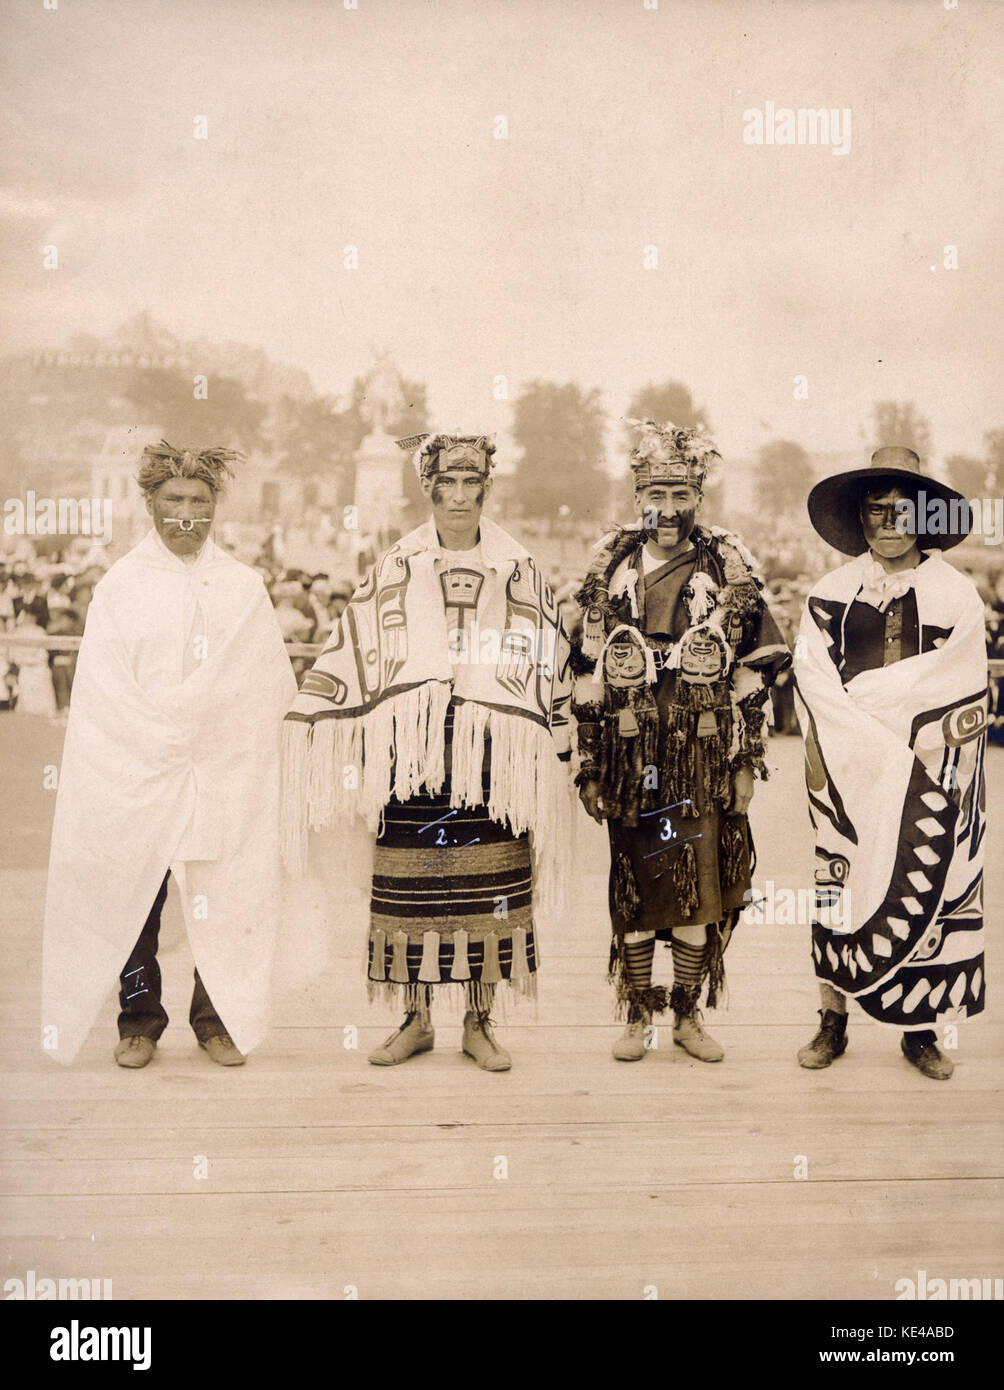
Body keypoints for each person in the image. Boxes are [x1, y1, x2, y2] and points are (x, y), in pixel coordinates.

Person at [282, 431, 573, 1071]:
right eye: (450, 485)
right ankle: (414, 1019)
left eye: (474, 485)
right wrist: (314, 708)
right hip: (409, 752)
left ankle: (479, 1021)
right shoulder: (396, 565)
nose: (462, 497)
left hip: (489, 756)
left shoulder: (516, 565)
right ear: (431, 490)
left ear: (486, 489)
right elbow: (355, 641)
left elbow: (548, 652)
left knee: (490, 884)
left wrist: (546, 729)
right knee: (409, 884)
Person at [42, 440, 297, 1068]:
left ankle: (219, 1019)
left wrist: (214, 736)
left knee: (228, 886)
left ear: (216, 508)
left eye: (199, 500)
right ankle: (138, 1020)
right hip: (137, 764)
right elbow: (102, 689)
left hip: (223, 764)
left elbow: (265, 681)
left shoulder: (242, 587)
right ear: (150, 504)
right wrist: (160, 738)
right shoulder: (121, 587)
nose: (186, 511)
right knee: (135, 890)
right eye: (174, 499)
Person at [571, 420, 790, 1062]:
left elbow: (752, 669)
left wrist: (746, 760)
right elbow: (584, 669)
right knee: (634, 880)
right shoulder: (611, 565)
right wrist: (589, 765)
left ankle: (688, 1016)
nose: (668, 511)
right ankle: (639, 1014)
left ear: (699, 495)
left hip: (702, 748)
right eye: (655, 495)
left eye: (681, 496)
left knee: (700, 882)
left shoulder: (728, 565)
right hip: (628, 751)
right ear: (637, 493)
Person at [793, 446, 987, 1081]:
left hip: (928, 768)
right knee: (840, 880)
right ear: (861, 519)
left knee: (930, 876)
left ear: (924, 517)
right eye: (876, 511)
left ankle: (921, 1030)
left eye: (903, 510)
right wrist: (855, 733)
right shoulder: (830, 592)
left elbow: (957, 681)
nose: (889, 522)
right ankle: (833, 1021)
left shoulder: (954, 595)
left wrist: (877, 708)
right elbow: (812, 677)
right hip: (848, 774)